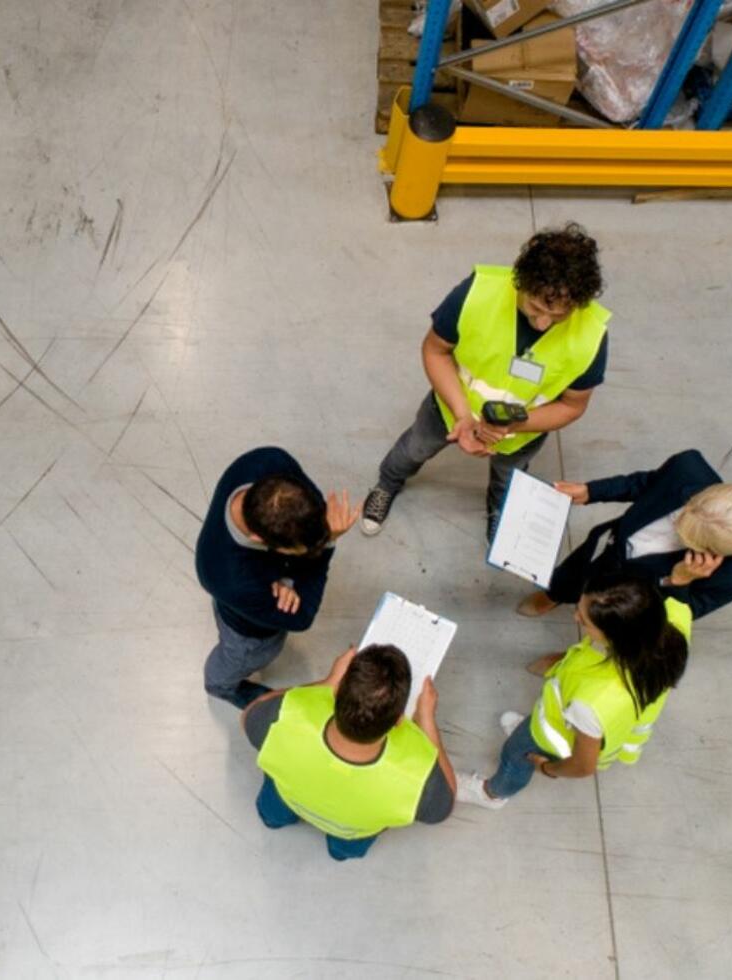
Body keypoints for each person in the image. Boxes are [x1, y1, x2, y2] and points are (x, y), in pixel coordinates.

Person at [361, 224, 611, 542]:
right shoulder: (477, 293)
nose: (545, 322)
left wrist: (510, 427)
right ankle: (387, 483)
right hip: (450, 410)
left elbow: (573, 405)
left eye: (560, 315)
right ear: (520, 282)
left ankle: (498, 511)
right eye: (536, 307)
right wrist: (463, 415)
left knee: (508, 481)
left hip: (521, 433)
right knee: (413, 449)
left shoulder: (592, 335)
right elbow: (436, 351)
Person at [455, 572, 690, 808]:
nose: (575, 616)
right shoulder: (672, 624)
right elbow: (680, 603)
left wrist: (546, 767)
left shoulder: (591, 703)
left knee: (514, 756)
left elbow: (583, 765)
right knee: (524, 737)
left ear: (617, 637)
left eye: (585, 620)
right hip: (563, 716)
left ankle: (493, 794)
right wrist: (683, 577)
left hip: (549, 738)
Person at [243, 644, 456, 860]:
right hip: (352, 830)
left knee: (273, 811)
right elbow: (444, 806)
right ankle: (338, 852)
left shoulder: (287, 716)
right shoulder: (417, 776)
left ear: (336, 693)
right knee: (345, 846)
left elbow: (250, 713)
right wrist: (426, 720)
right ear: (399, 720)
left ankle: (274, 820)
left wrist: (325, 683)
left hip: (287, 797)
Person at [517, 449, 732, 621]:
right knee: (573, 574)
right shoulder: (688, 469)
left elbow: (678, 619)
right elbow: (645, 483)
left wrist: (679, 582)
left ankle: (571, 657)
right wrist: (591, 491)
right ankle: (555, 595)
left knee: (602, 631)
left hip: (635, 600)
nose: (676, 528)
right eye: (681, 517)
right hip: (610, 552)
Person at [195, 446, 360, 709]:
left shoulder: (267, 460)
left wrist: (288, 579)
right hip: (247, 632)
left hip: (247, 595)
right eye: (298, 551)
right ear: (259, 540)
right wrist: (326, 545)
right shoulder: (228, 577)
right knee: (237, 659)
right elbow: (302, 615)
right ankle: (221, 686)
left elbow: (312, 505)